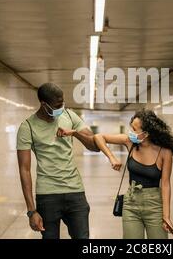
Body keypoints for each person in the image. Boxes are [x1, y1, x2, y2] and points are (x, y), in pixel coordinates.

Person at [16, 82, 122, 239]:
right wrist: (31, 211)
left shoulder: (69, 115)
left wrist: (75, 134)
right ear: (44, 104)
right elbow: (24, 170)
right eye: (57, 105)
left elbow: (94, 146)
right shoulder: (27, 127)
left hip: (75, 192)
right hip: (47, 195)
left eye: (63, 103)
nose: (61, 107)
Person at [94, 109, 173, 239]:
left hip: (154, 206)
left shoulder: (165, 152)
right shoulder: (130, 142)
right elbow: (98, 137)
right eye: (131, 128)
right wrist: (111, 157)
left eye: (135, 129)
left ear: (147, 132)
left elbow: (166, 184)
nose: (131, 133)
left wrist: (166, 216)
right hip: (131, 203)